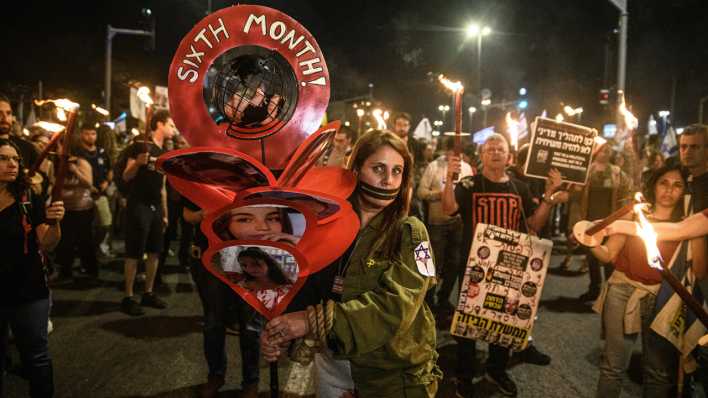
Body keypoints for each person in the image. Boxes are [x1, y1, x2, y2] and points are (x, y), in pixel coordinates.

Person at [261, 129, 442, 397]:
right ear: (355, 169)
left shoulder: (412, 233)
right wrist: (282, 331)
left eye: (396, 171)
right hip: (330, 366)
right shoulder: (324, 223)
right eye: (378, 168)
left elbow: (396, 307)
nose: (387, 180)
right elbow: (305, 284)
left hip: (388, 375)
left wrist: (310, 321)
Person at [442, 133, 565, 397]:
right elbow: (448, 209)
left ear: (508, 156)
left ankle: (496, 369)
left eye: (500, 148)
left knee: (504, 319)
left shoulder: (520, 188)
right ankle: (464, 374)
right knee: (468, 323)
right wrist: (449, 179)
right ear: (482, 155)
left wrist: (549, 195)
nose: (495, 152)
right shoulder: (469, 183)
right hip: (473, 264)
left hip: (509, 266)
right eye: (490, 149)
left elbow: (534, 225)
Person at [589, 165, 701, 397]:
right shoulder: (635, 215)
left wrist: (697, 234)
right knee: (613, 366)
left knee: (659, 373)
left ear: (684, 191)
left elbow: (699, 271)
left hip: (663, 301)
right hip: (622, 290)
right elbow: (608, 254)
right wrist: (591, 243)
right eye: (664, 183)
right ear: (654, 185)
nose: (669, 190)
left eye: (677, 185)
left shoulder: (689, 224)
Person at [0, 138, 65, 397]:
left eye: (15, 159)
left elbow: (46, 242)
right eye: (4, 158)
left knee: (36, 358)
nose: (12, 164)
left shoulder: (29, 199)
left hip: (29, 291)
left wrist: (56, 222)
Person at [119, 110, 174, 316]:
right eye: (171, 124)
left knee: (154, 251)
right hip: (138, 205)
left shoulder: (164, 153)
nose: (173, 129)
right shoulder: (140, 146)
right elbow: (126, 176)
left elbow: (163, 187)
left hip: (156, 208)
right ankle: (128, 296)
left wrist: (165, 213)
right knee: (134, 251)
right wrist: (137, 163)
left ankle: (148, 293)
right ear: (159, 124)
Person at [417, 136, 472, 313]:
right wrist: (439, 195)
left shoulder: (467, 169)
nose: (454, 156)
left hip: (458, 224)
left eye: (458, 153)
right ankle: (428, 299)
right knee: (433, 263)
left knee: (455, 263)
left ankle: (444, 298)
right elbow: (421, 192)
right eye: (451, 152)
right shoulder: (434, 166)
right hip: (437, 223)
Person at [53, 147, 96, 280]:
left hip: (82, 208)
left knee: (84, 240)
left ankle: (90, 269)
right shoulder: (56, 164)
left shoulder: (81, 163)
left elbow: (89, 183)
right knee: (65, 241)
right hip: (64, 208)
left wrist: (75, 171)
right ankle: (65, 270)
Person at [74, 123, 113, 259]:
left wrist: (107, 183)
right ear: (81, 134)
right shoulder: (77, 153)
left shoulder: (102, 152)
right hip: (82, 196)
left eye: (93, 133)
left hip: (100, 195)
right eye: (87, 133)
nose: (90, 137)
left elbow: (110, 170)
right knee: (85, 228)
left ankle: (97, 246)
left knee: (105, 223)